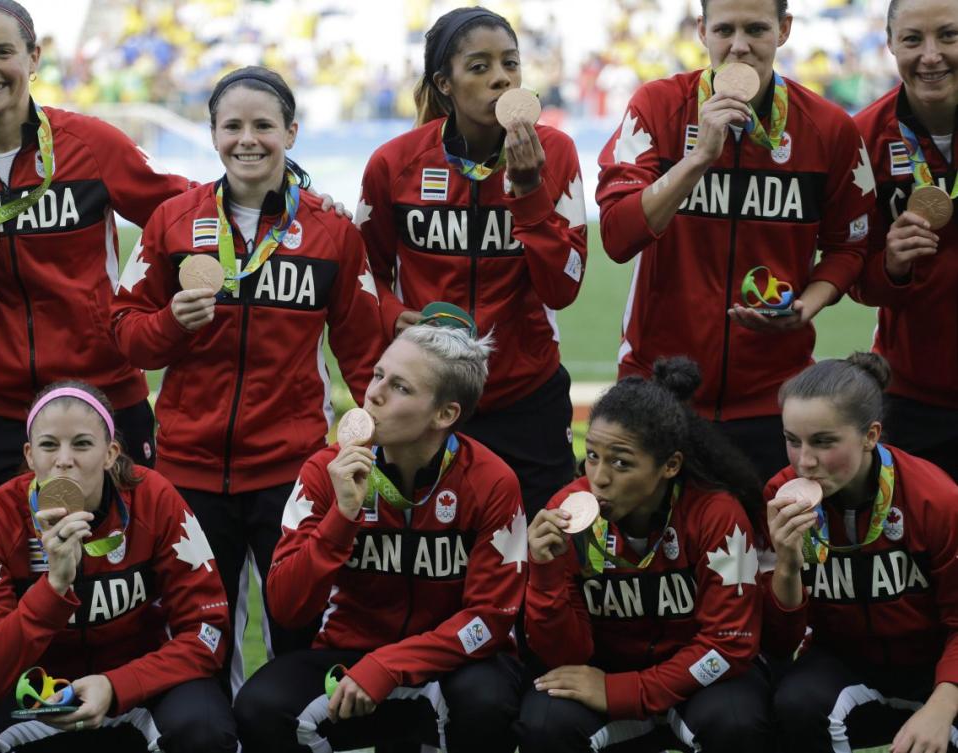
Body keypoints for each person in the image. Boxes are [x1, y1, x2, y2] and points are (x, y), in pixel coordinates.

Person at [111, 66, 384, 692]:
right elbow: (124, 332)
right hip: (188, 468)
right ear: (211, 135)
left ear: (291, 131)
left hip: (290, 468)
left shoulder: (331, 231)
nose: (248, 139)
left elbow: (364, 354)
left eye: (264, 125)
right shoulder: (172, 222)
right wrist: (170, 326)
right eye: (232, 125)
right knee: (198, 634)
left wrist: (372, 439)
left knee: (297, 628)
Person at [0, 0, 192, 529]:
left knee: (126, 576)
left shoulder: (91, 145)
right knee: (2, 577)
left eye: (3, 52)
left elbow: (183, 212)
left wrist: (299, 193)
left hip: (102, 400)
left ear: (33, 58)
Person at [595, 0, 876, 484]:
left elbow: (848, 246)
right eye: (724, 29)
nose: (739, 45)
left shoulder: (829, 128)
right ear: (702, 31)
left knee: (770, 551)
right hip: (660, 387)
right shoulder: (657, 107)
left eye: (756, 29)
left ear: (784, 30)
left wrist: (807, 305)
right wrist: (697, 159)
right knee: (658, 555)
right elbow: (618, 236)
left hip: (774, 398)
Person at [233, 315, 525, 753]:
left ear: (445, 414)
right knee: (260, 708)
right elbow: (287, 607)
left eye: (401, 388)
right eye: (378, 374)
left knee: (488, 701)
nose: (373, 393)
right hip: (350, 655)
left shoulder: (492, 483)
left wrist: (390, 665)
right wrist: (343, 516)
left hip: (454, 667)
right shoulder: (323, 472)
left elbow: (488, 621)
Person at [356, 6, 587, 517]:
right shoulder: (394, 163)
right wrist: (393, 315)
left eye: (510, 64)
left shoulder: (558, 154)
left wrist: (527, 193)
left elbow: (564, 287)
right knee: (434, 564)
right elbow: (361, 274)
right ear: (445, 84)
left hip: (527, 398)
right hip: (426, 398)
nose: (500, 78)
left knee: (539, 558)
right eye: (479, 67)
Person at [0, 381, 236, 753]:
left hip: (141, 690)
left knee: (205, 730)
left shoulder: (154, 498)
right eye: (49, 445)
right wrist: (53, 588)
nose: (64, 459)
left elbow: (208, 633)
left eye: (83, 444)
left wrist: (117, 685)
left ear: (110, 453)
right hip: (41, 699)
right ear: (30, 455)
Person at [516, 357, 771, 752]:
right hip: (604, 671)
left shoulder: (715, 515)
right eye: (594, 455)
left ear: (670, 466)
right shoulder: (569, 510)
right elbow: (565, 655)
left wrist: (625, 691)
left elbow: (729, 645)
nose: (598, 477)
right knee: (544, 721)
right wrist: (545, 572)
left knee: (735, 720)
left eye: (621, 463)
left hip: (699, 685)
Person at [764, 353, 958, 753]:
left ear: (870, 435)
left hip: (937, 667)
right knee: (794, 705)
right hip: (846, 664)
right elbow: (781, 646)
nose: (805, 461)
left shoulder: (935, 500)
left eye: (823, 441)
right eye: (791, 440)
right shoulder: (780, 498)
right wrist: (786, 566)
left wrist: (943, 704)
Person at [851, 0, 958, 482]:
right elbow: (853, 275)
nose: (931, 56)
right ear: (891, 44)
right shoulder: (863, 137)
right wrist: (891, 266)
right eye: (913, 39)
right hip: (915, 398)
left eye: (949, 36)